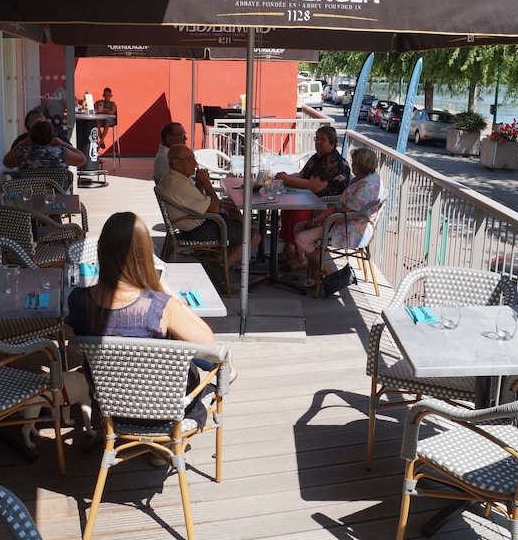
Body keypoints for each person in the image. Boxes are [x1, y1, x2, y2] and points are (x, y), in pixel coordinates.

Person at [64, 212, 236, 430]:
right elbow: (210, 346)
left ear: (102, 252)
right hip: (168, 411)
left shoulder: (78, 301)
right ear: (145, 253)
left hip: (109, 407)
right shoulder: (160, 305)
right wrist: (173, 297)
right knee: (209, 357)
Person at [157, 144, 260, 269]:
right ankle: (222, 268)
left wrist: (200, 184)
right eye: (189, 160)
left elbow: (194, 201)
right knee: (255, 237)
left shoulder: (172, 178)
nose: (195, 164)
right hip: (199, 231)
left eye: (194, 159)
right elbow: (215, 209)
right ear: (176, 163)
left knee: (235, 214)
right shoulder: (180, 185)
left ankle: (220, 256)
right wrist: (207, 183)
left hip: (192, 225)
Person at [292, 148, 382, 287]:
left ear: (359, 166)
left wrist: (321, 222)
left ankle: (329, 274)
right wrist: (317, 220)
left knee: (301, 238)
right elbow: (338, 205)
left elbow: (345, 213)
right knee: (299, 227)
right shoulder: (363, 178)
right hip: (341, 219)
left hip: (350, 227)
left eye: (354, 163)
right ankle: (317, 274)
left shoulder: (367, 187)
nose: (352, 165)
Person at [273, 125, 351, 269]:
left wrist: (287, 180)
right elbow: (302, 175)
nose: (318, 142)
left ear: (332, 143)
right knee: (287, 209)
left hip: (326, 206)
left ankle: (300, 257)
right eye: (317, 139)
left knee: (299, 213)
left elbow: (314, 186)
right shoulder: (317, 157)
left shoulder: (332, 161)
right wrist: (284, 176)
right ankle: (289, 249)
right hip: (312, 199)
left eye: (323, 139)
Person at [2, 119, 86, 170]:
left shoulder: (23, 153)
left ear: (31, 136)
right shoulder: (61, 152)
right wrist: (62, 143)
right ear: (52, 135)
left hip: (31, 191)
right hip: (57, 191)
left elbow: (6, 162)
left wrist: (22, 143)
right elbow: (82, 159)